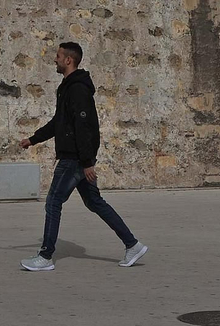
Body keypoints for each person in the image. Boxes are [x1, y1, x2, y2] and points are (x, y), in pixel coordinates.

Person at [19, 41, 147, 271]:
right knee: (94, 202)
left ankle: (45, 256)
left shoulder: (77, 89)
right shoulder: (68, 87)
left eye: (58, 56)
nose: (54, 60)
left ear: (69, 60)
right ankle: (133, 245)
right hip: (78, 158)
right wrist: (33, 139)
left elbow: (85, 126)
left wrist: (87, 163)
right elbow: (59, 123)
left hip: (74, 158)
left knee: (53, 202)